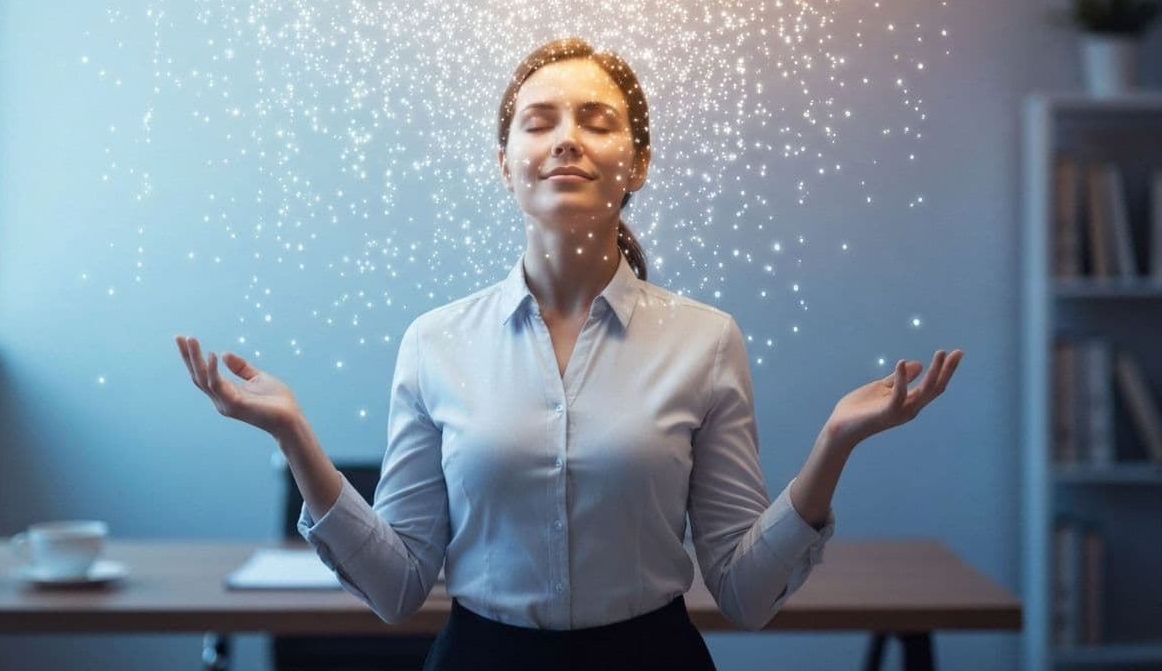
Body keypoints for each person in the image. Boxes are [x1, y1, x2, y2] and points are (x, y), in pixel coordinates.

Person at [174, 37, 964, 670]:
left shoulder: (706, 339)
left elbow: (746, 593)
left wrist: (834, 444)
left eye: (596, 119)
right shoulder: (435, 341)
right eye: (539, 120)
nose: (567, 141)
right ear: (505, 163)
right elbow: (397, 588)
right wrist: (293, 435)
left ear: (638, 164)